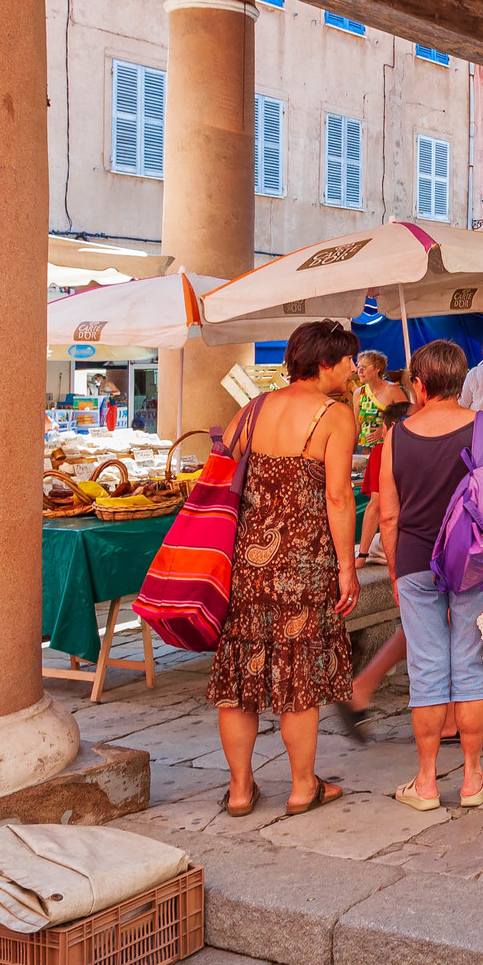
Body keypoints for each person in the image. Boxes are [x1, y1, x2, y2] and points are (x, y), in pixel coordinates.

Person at [211, 318, 360, 818]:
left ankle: (239, 790)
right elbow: (338, 497)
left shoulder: (253, 409)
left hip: (246, 566)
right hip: (305, 564)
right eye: (348, 360)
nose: (353, 369)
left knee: (240, 675)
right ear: (325, 363)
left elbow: (221, 469)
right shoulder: (334, 416)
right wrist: (347, 567)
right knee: (298, 674)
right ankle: (301, 787)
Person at [378, 338, 483, 811]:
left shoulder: (396, 436)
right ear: (460, 380)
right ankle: (473, 777)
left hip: (415, 561)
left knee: (427, 669)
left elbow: (388, 516)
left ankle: (426, 782)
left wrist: (395, 571)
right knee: (470, 665)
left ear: (419, 385)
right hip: (473, 561)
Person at [357, 397, 410, 558]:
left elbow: (375, 505)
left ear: (392, 426)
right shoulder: (427, 448)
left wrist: (362, 555)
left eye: (382, 427)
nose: (381, 432)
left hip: (399, 541)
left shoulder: (381, 451)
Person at [353, 349, 407, 449]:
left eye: (364, 367)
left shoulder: (393, 390)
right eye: (358, 367)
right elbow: (357, 425)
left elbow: (406, 418)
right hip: (362, 449)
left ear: (378, 368)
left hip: (386, 447)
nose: (360, 371)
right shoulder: (358, 393)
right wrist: (352, 450)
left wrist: (384, 428)